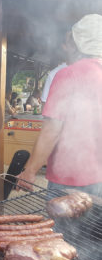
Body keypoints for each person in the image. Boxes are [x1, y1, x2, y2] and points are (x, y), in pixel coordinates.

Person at [17, 14, 102, 198]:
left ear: (78, 43)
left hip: (69, 178)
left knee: (64, 227)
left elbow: (52, 130)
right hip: (99, 179)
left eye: (70, 39)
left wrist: (30, 171)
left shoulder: (68, 75)